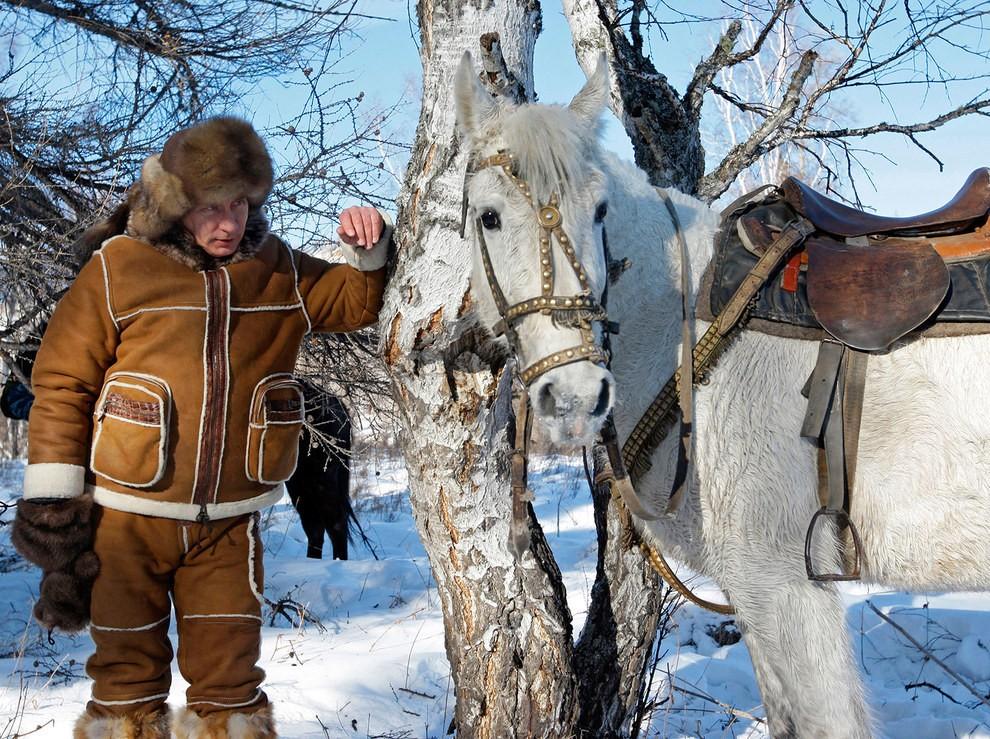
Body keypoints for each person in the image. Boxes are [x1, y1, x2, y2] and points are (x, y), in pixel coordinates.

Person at [10, 117, 391, 739]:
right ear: (178, 205)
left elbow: (354, 301)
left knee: (231, 691)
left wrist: (367, 248)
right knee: (126, 686)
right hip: (125, 518)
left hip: (227, 527)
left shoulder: (279, 270)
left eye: (240, 204)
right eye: (212, 207)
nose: (228, 223)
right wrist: (55, 502)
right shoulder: (119, 268)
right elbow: (62, 385)